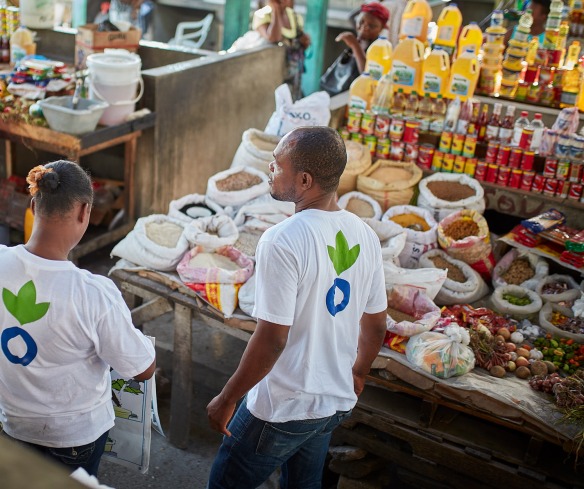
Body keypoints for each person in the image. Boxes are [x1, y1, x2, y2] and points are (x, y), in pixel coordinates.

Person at [206, 126, 388, 489]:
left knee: (225, 483)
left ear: (304, 180)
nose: (270, 170)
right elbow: (376, 326)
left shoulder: (282, 239)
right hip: (332, 402)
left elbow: (273, 339)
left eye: (277, 164)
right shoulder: (365, 234)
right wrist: (358, 372)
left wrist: (228, 397)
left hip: (284, 406)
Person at [0, 161, 156, 477]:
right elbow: (142, 369)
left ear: (33, 205)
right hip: (73, 438)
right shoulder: (93, 293)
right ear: (84, 212)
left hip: (13, 424)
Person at [253, 0, 311, 101]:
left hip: (293, 74)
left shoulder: (293, 15)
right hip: (273, 74)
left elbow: (301, 46)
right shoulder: (262, 15)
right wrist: (276, 10)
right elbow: (274, 37)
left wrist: (305, 41)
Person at [337, 2, 390, 75]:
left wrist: (355, 45)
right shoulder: (362, 36)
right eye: (361, 22)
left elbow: (366, 73)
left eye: (372, 26)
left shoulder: (378, 47)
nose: (364, 28)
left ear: (381, 29)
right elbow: (351, 17)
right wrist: (366, 7)